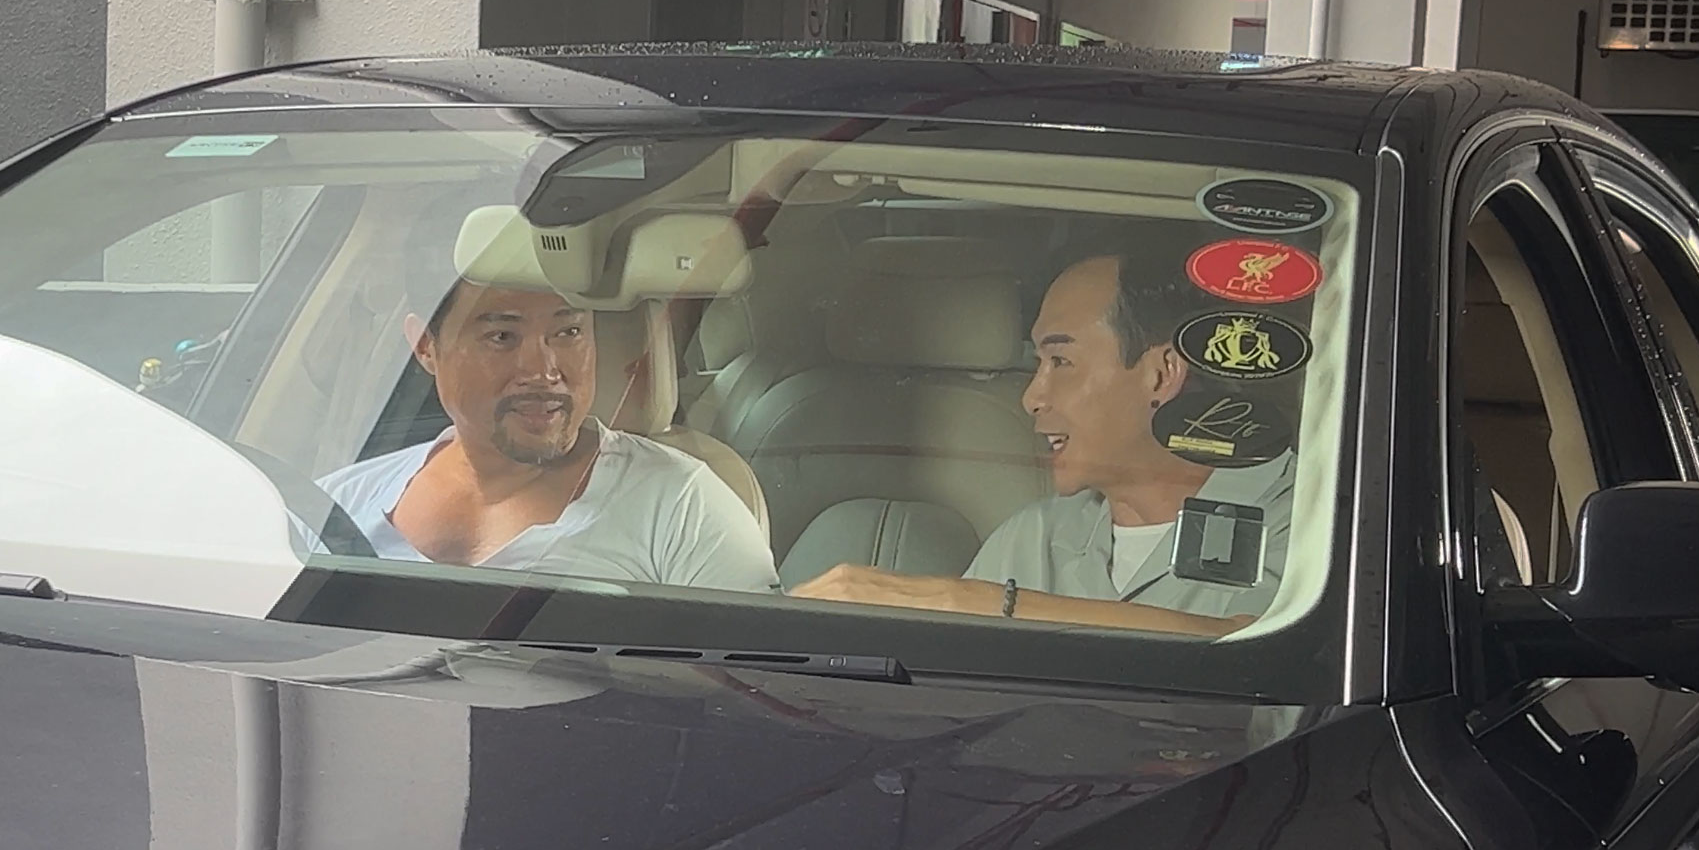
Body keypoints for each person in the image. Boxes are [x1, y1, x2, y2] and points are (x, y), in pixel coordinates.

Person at [791, 234, 1296, 637]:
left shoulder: (1303, 520)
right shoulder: (1035, 536)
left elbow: (1255, 649)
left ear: (1161, 374)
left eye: (1061, 361)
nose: (1032, 397)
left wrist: (975, 602)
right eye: (1038, 363)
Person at [319, 277, 779, 592]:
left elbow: (759, 682)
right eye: (502, 337)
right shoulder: (337, 503)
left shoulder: (679, 505)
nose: (542, 371)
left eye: (569, 331)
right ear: (426, 347)